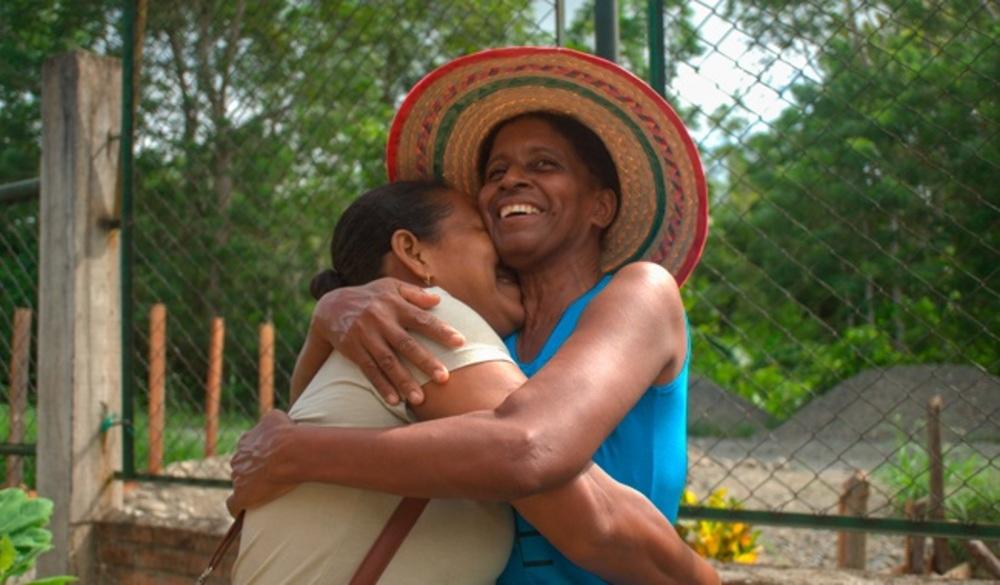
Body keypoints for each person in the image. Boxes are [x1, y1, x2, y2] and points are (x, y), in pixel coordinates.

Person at [230, 47, 712, 584]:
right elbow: (343, 410)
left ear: (600, 206)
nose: (510, 181)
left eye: (544, 165)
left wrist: (298, 453)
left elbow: (531, 446)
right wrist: (329, 314)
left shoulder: (638, 293)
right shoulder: (486, 343)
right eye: (495, 171)